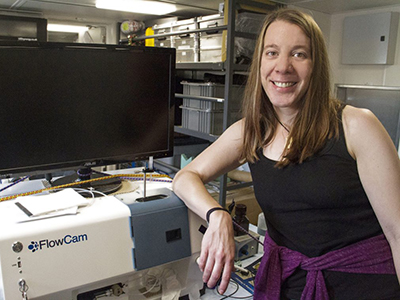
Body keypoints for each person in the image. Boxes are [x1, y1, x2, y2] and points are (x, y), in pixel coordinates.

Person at [172, 8, 400, 300]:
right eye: (272, 52)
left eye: (299, 54)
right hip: (289, 287)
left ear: (316, 65)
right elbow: (185, 177)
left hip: (366, 288)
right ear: (260, 63)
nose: (283, 67)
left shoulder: (357, 126)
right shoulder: (252, 132)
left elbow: (397, 233)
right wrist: (217, 216)